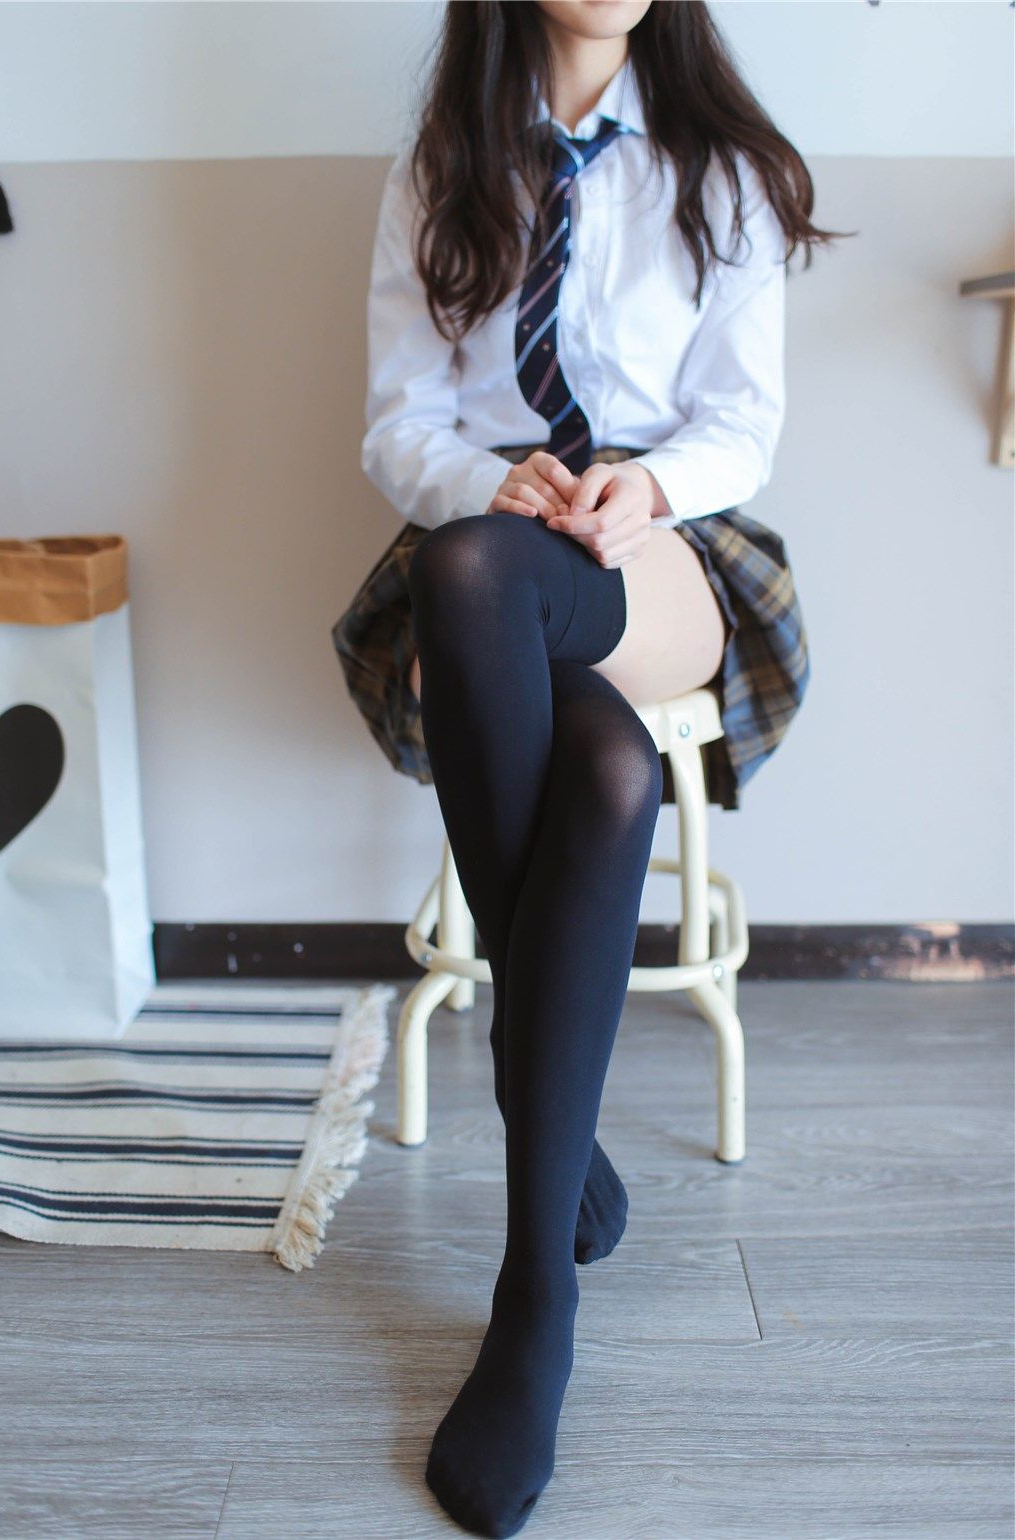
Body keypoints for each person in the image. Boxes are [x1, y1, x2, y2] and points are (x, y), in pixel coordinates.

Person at [343, 3, 840, 1533]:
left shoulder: (724, 165)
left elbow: (742, 424)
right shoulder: (446, 160)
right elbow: (399, 424)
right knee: (592, 748)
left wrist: (645, 487)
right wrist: (487, 482)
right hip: (485, 542)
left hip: (662, 549)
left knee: (483, 584)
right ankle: (549, 1221)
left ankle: (530, 1245)